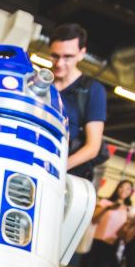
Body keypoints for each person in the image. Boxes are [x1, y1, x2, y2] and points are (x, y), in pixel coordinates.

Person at [49, 23, 106, 181]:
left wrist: (56, 169)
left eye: (67, 57)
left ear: (81, 54)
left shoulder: (92, 90)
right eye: (55, 56)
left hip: (64, 175)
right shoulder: (40, 83)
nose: (59, 63)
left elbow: (92, 147)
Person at [70, 180, 134, 267]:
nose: (124, 190)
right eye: (121, 187)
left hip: (111, 245)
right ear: (117, 188)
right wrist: (107, 209)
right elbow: (94, 219)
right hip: (95, 240)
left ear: (131, 192)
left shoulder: (129, 210)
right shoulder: (105, 202)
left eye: (128, 189)